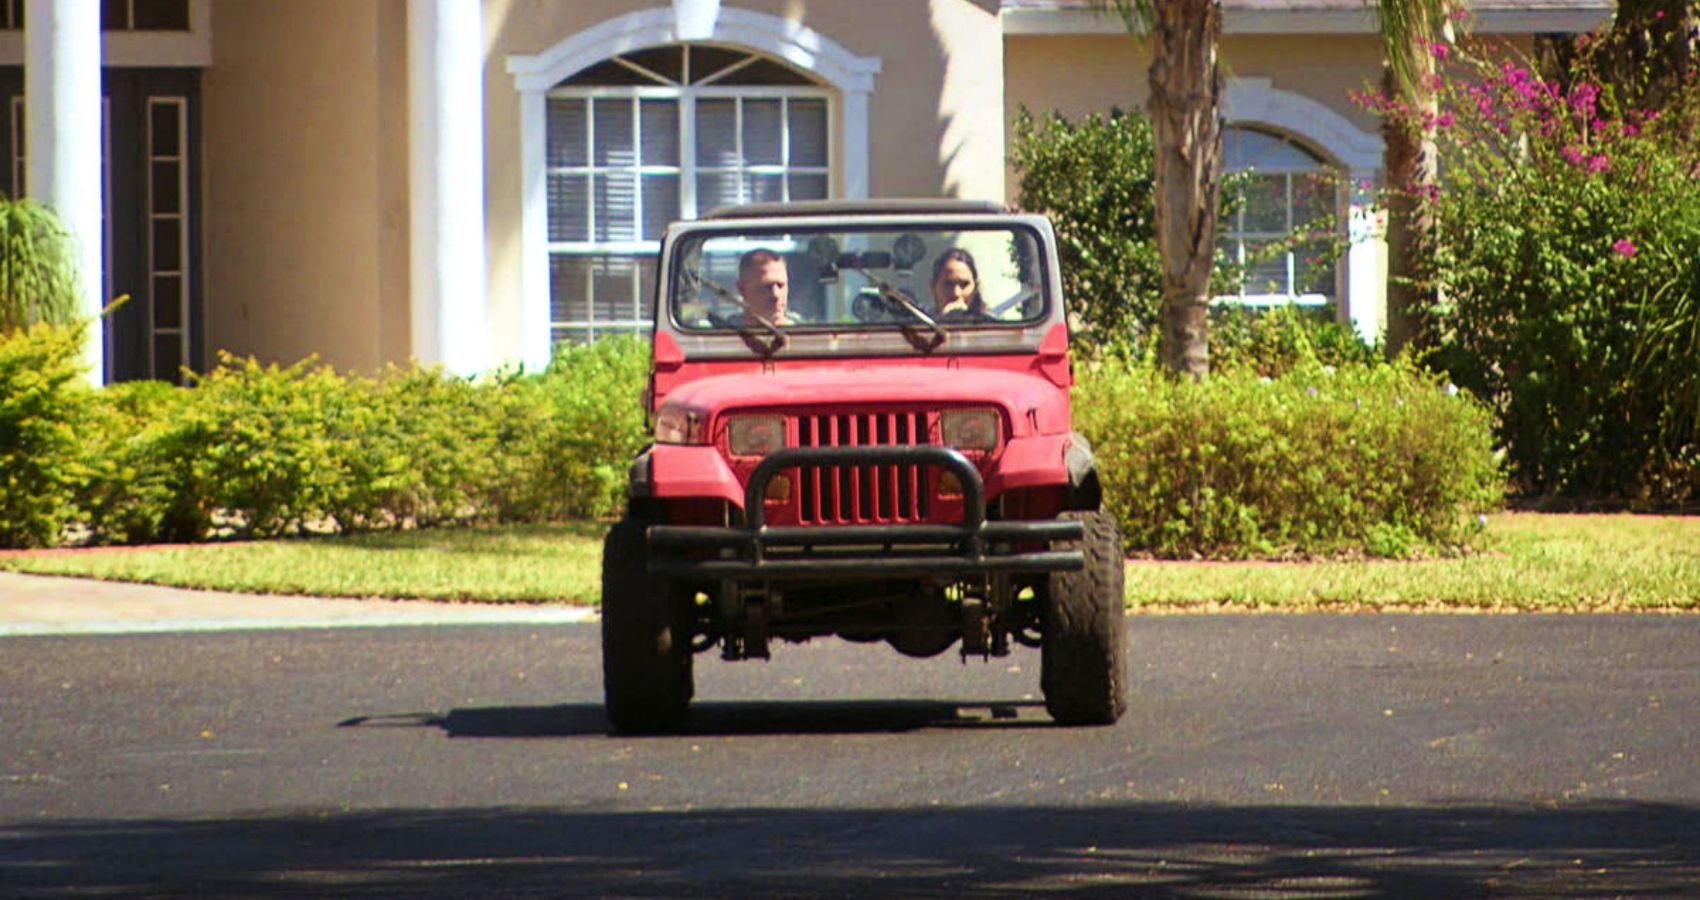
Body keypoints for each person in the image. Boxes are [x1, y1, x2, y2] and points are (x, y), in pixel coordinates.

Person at [736, 248, 797, 325]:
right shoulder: (723, 332)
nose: (776, 295)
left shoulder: (807, 331)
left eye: (781, 285)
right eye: (767, 287)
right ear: (742, 289)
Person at [930, 248, 989, 321]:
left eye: (964, 285)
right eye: (948, 285)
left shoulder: (994, 328)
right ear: (933, 287)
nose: (956, 293)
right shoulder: (919, 327)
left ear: (975, 288)